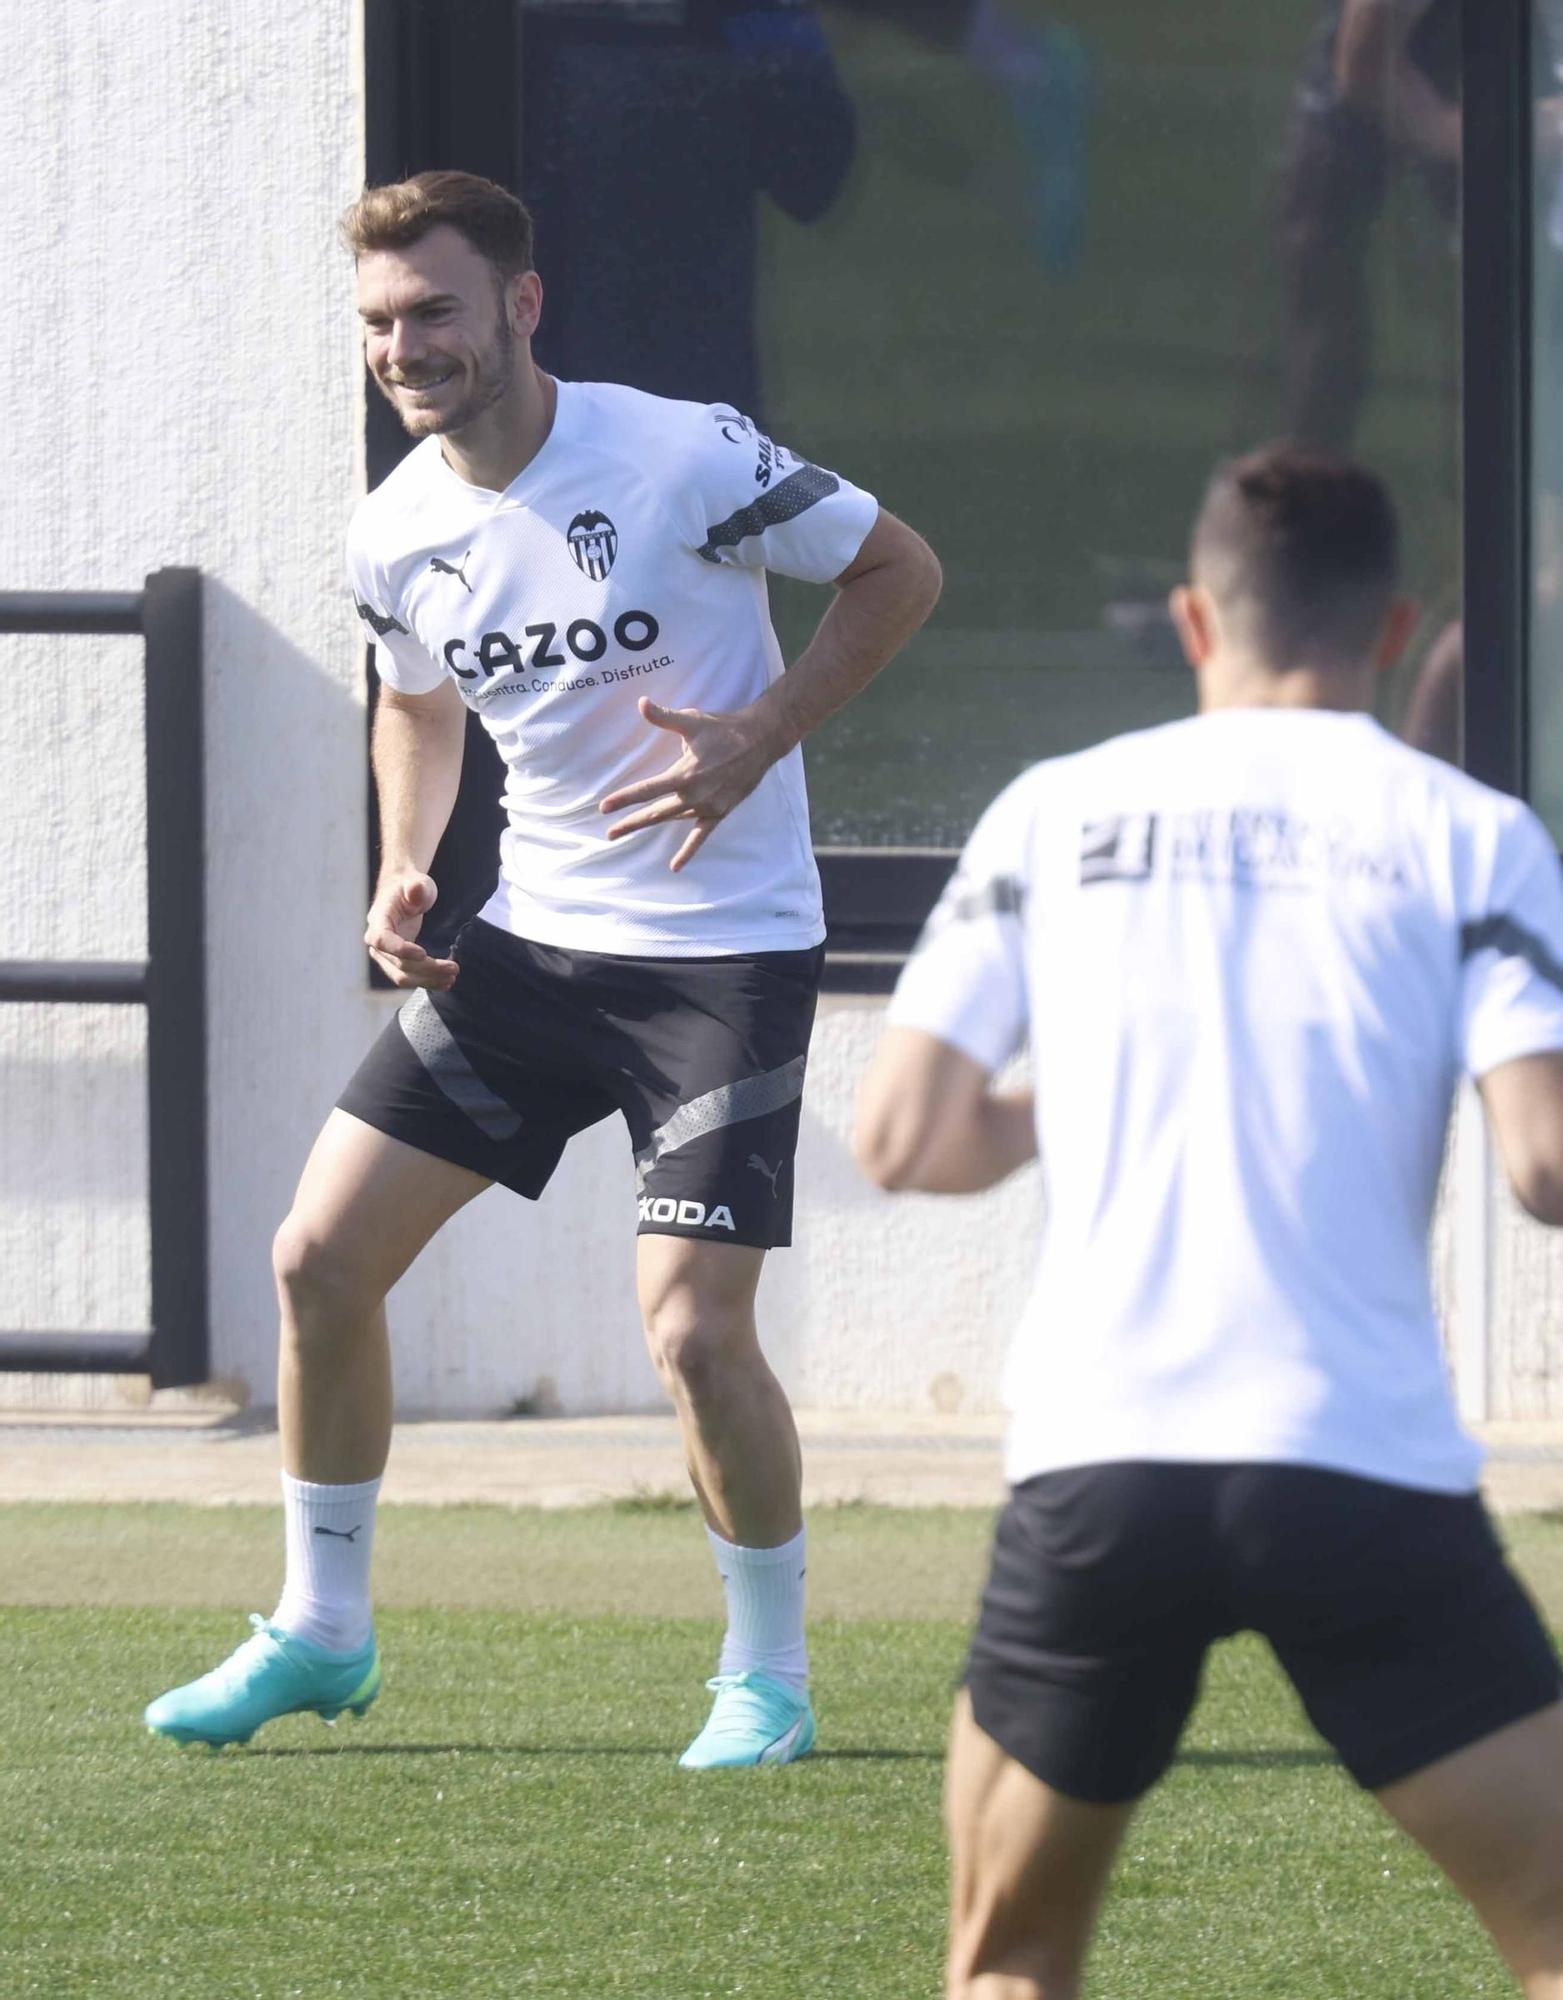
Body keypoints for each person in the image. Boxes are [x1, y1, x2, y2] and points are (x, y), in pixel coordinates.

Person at [145, 169, 941, 1766]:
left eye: (434, 309)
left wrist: (760, 735)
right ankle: (320, 1628)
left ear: (521, 302)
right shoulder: (398, 526)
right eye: (377, 321)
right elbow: (420, 702)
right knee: (317, 1259)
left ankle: (767, 1679)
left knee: (695, 1333)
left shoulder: (678, 451)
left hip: (722, 957)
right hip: (523, 958)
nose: (404, 346)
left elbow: (898, 572)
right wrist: (405, 858)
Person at [855, 445, 1563, 1997]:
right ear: (1392, 632)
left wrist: (1106, 1086)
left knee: (1011, 1967)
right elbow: (1545, 1165)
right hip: (1354, 1465)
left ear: (1192, 620)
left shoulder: (1058, 811)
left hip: (1103, 1470)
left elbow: (906, 1137)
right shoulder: (1471, 832)